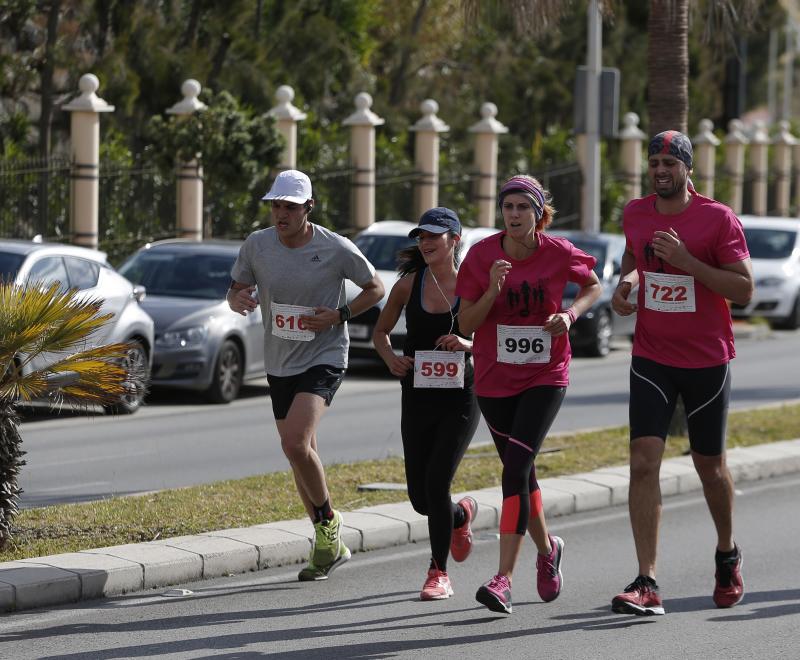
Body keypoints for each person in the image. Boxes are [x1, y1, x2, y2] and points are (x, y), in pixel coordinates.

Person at [610, 130, 754, 616]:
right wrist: (626, 284)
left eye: (670, 162)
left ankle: (727, 553)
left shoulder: (717, 218)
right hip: (652, 356)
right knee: (642, 461)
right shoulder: (636, 213)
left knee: (709, 467)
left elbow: (744, 289)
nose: (660, 170)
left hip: (707, 360)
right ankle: (646, 580)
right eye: (654, 162)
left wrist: (687, 261)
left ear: (687, 169)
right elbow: (634, 256)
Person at [227, 169, 384, 581]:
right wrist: (237, 300)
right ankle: (327, 544)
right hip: (280, 360)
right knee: (300, 451)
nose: (281, 214)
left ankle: (329, 521)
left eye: (291, 207)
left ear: (309, 207)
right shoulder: (257, 245)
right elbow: (235, 289)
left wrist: (340, 314)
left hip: (325, 355)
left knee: (295, 442)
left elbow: (376, 289)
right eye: (276, 205)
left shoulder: (335, 247)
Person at [456, 175, 601, 614]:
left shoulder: (558, 252)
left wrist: (570, 315)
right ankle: (548, 549)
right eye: (508, 207)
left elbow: (593, 286)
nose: (514, 214)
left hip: (545, 374)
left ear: (539, 214)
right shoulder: (482, 256)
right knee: (522, 474)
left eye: (523, 207)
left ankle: (503, 579)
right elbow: (466, 325)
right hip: (494, 378)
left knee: (515, 469)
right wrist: (493, 290)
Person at [372, 207, 481, 601]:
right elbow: (381, 332)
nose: (426, 243)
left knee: (437, 484)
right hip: (417, 396)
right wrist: (391, 359)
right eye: (422, 237)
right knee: (421, 499)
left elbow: (494, 336)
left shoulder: (473, 284)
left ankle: (438, 572)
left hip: (461, 397)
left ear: (455, 239)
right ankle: (460, 515)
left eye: (434, 235)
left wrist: (468, 343)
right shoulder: (408, 284)